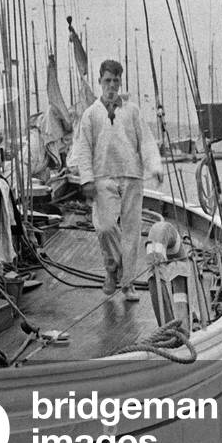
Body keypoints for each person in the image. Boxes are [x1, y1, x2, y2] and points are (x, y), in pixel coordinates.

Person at [66, 58, 162, 302]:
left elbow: (147, 141)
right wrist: (86, 179)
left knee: (131, 232)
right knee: (106, 226)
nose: (112, 86)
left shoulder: (132, 110)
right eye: (107, 81)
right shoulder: (91, 114)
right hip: (103, 176)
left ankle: (127, 283)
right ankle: (112, 266)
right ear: (100, 81)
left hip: (132, 176)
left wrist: (154, 166)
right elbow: (84, 149)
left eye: (116, 81)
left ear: (120, 83)